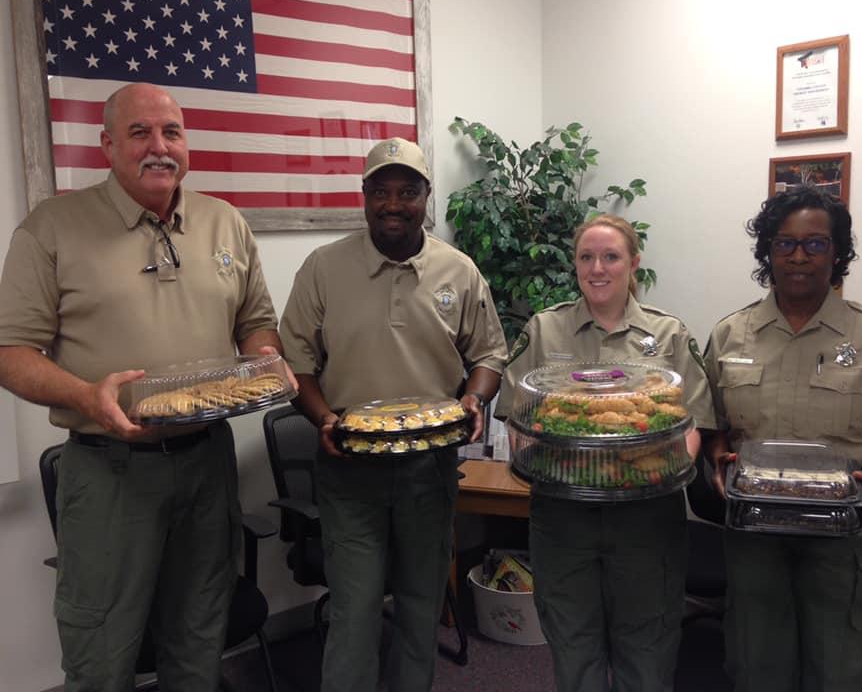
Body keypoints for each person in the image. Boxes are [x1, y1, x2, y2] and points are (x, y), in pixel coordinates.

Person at [0, 82, 287, 692]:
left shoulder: (225, 223)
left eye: (172, 132)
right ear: (107, 144)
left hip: (208, 463)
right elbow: (10, 353)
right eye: (140, 133)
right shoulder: (53, 227)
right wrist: (86, 397)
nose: (160, 147)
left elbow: (256, 324)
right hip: (109, 473)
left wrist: (264, 363)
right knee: (101, 652)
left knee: (199, 639)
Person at [279, 137, 508, 692]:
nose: (393, 203)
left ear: (426, 196)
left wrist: (475, 399)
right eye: (380, 191)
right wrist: (322, 420)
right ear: (364, 197)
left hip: (429, 469)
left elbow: (490, 354)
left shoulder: (458, 270)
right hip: (349, 467)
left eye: (407, 191)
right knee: (354, 611)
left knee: (419, 604)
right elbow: (294, 366)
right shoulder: (323, 268)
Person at [703, 186, 862, 692]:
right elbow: (713, 425)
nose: (800, 256)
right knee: (755, 666)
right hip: (756, 532)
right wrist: (716, 455)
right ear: (768, 252)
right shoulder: (729, 335)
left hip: (849, 536)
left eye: (816, 244)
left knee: (839, 671)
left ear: (837, 252)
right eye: (785, 244)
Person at [495, 213, 717, 692]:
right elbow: (517, 420)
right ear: (574, 264)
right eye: (586, 257)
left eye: (611, 256)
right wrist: (541, 457)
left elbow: (694, 423)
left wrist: (663, 468)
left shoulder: (670, 334)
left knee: (648, 647)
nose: (598, 268)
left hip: (647, 517)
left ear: (634, 263)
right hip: (562, 515)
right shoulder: (543, 330)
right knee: (573, 645)